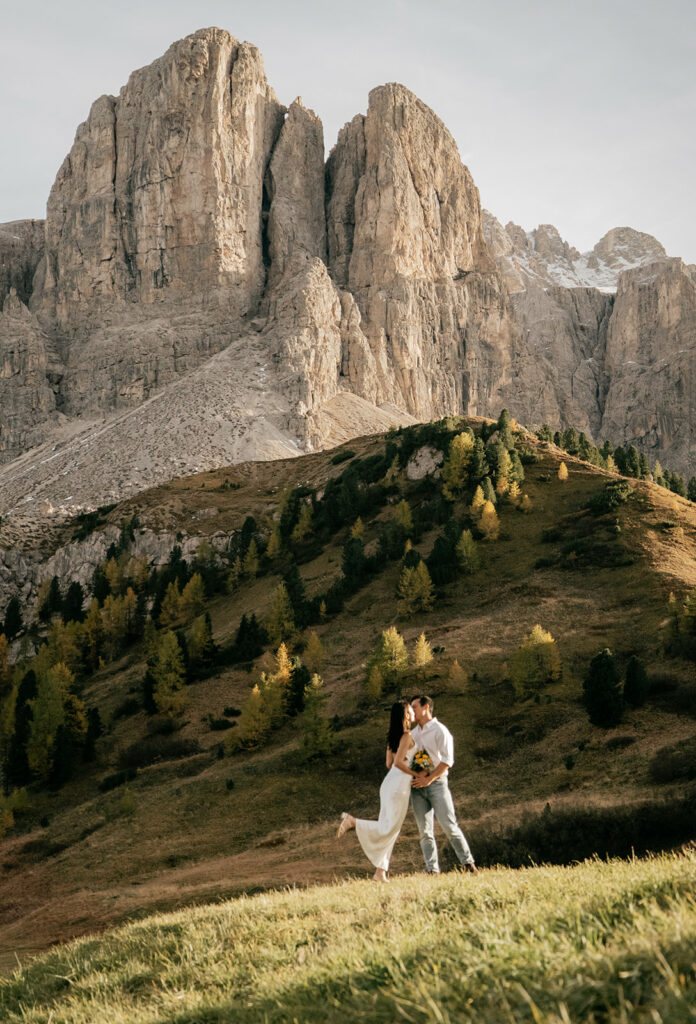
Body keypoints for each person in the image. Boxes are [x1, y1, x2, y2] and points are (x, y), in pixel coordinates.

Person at [336, 701, 417, 882]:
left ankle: (380, 872)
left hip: (389, 784)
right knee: (390, 828)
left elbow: (389, 764)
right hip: (399, 787)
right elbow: (397, 763)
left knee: (391, 830)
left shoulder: (393, 737)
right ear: (406, 715)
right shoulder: (407, 735)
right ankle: (353, 821)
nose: (413, 713)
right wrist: (415, 773)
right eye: (411, 711)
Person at [409, 694, 478, 874]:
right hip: (417, 787)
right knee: (424, 831)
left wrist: (429, 778)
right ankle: (432, 869)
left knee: (448, 825)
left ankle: (468, 864)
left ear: (425, 707)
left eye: (414, 707)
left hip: (437, 783)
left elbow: (448, 760)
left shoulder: (440, 730)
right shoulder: (413, 734)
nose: (411, 711)